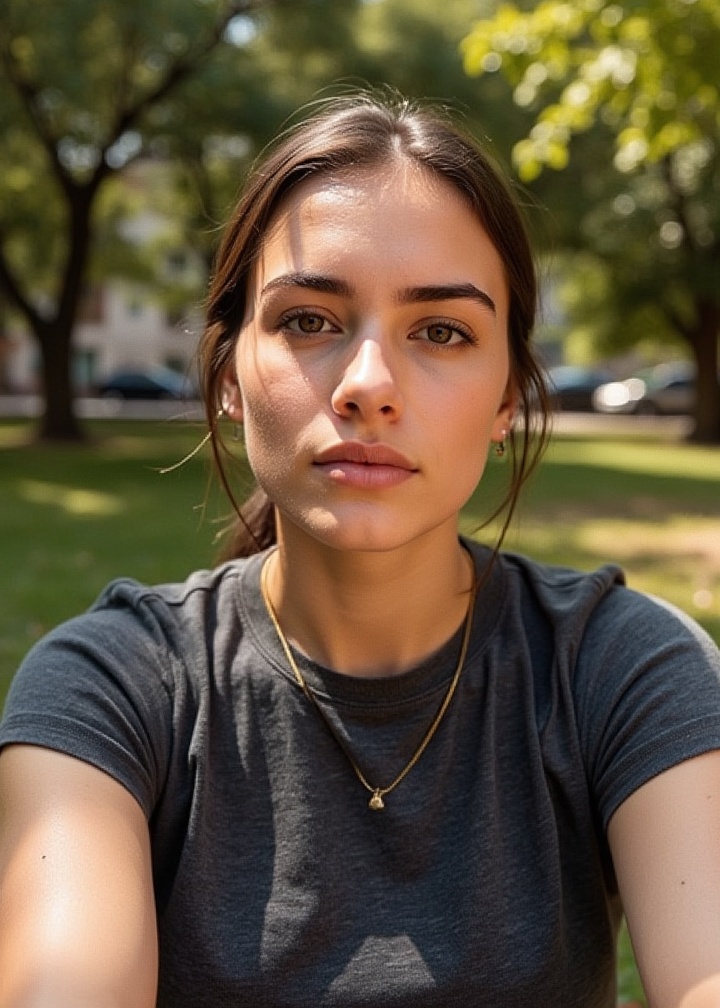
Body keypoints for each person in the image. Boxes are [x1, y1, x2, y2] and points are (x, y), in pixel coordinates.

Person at [1, 93, 719, 1008]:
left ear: (508, 397)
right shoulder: (111, 686)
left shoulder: (623, 669)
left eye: (441, 331)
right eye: (308, 320)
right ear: (228, 374)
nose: (369, 386)